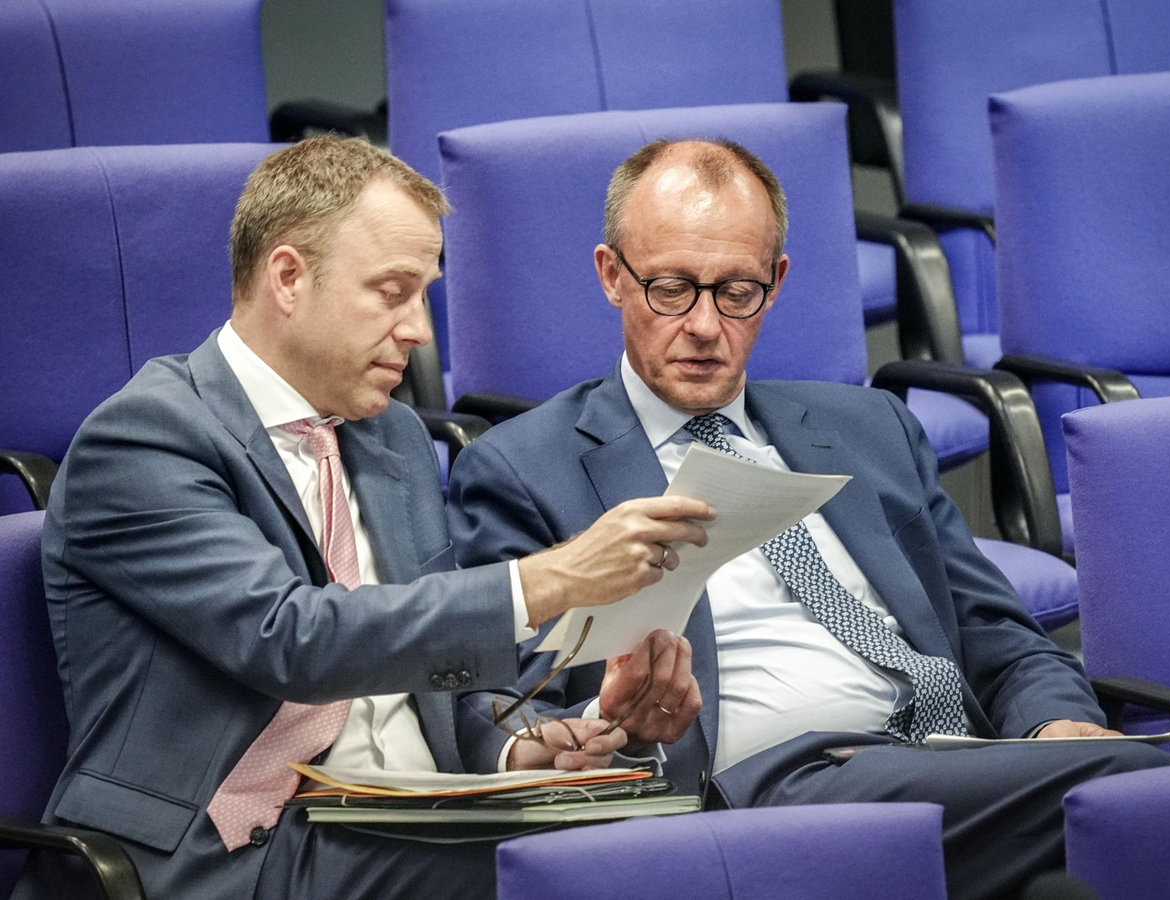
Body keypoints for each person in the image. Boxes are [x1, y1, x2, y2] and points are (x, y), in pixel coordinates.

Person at [446, 138, 1170, 899]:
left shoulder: (871, 428)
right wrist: (605, 720)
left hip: (955, 761)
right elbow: (503, 709)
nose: (704, 324)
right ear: (612, 276)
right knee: (1137, 789)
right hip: (765, 789)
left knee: (1122, 806)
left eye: (737, 291)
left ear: (777, 282)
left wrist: (1054, 726)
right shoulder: (526, 468)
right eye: (672, 289)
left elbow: (995, 632)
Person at [11, 136, 715, 900]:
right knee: (578, 866)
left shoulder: (393, 437)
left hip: (399, 816)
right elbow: (293, 640)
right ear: (288, 277)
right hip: (227, 850)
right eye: (392, 291)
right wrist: (552, 578)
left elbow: (429, 674)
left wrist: (520, 749)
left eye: (424, 295)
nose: (418, 330)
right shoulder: (145, 439)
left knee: (662, 828)